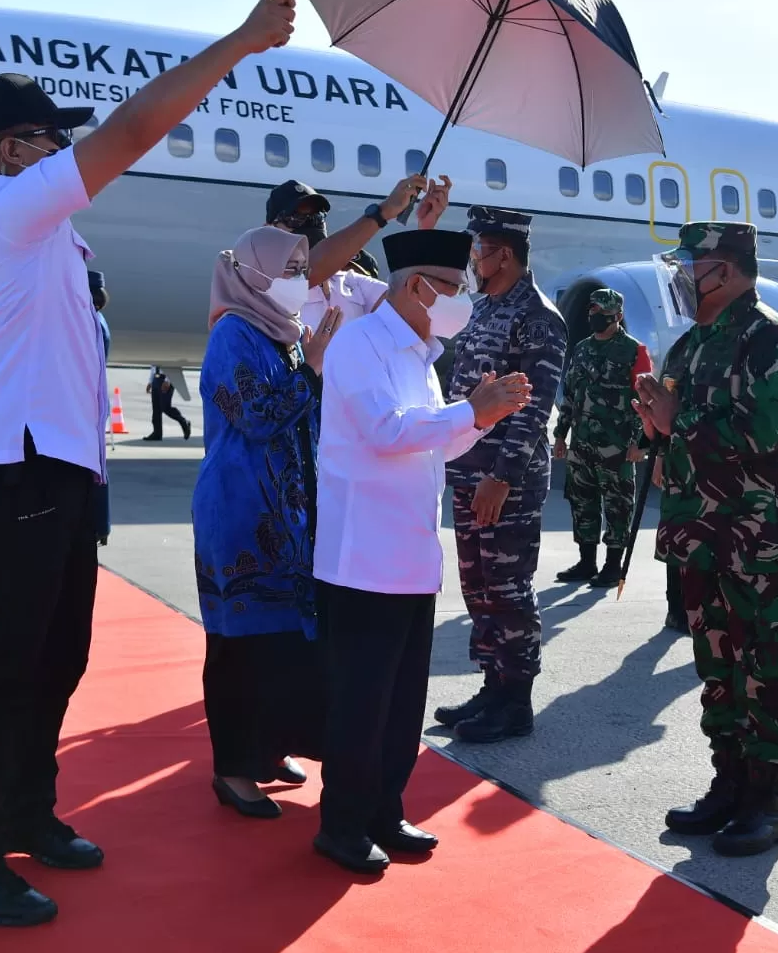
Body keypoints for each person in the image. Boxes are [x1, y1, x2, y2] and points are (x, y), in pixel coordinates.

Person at [0, 0, 296, 928]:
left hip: (55, 473)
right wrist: (242, 43)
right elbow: (132, 130)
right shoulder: (6, 207)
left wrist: (89, 473)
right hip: (5, 473)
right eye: (54, 138)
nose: (67, 154)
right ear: (15, 147)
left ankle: (23, 810)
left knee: (57, 657)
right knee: (2, 668)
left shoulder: (46, 235)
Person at [312, 228, 531, 873]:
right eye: (454, 287)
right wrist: (468, 410)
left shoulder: (419, 353)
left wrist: (481, 418)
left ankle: (384, 807)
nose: (462, 299)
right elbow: (385, 432)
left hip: (409, 556)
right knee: (361, 700)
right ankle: (343, 823)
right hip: (363, 560)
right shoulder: (360, 344)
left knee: (403, 700)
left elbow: (435, 443)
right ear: (415, 286)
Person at [635, 222, 778, 858]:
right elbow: (680, 434)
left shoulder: (769, 338)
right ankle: (729, 783)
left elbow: (763, 434)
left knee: (765, 669)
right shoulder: (692, 345)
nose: (682, 276)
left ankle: (768, 803)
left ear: (729, 269)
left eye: (692, 264)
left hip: (762, 538)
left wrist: (673, 422)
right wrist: (659, 437)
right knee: (717, 669)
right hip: (704, 535)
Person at [194, 225, 342, 819]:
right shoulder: (233, 333)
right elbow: (255, 416)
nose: (299, 279)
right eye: (288, 268)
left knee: (286, 641)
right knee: (241, 643)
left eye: (304, 267)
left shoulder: (285, 335)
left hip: (290, 514)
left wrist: (316, 368)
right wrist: (311, 371)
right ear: (253, 273)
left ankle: (271, 747)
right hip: (240, 514)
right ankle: (234, 767)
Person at [431, 206, 567, 744]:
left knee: (508, 588)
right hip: (469, 472)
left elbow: (535, 409)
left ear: (502, 253)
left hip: (506, 482)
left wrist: (502, 477)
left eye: (478, 249)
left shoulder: (538, 316)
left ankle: (516, 700)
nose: (473, 259)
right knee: (478, 586)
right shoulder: (483, 307)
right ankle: (492, 685)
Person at [552, 288, 652, 588]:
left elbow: (645, 401)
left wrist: (641, 443)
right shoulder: (582, 349)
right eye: (592, 312)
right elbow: (570, 396)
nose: (595, 317)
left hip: (618, 445)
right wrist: (560, 436)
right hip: (582, 443)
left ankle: (612, 565)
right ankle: (586, 561)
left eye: (602, 313)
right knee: (582, 502)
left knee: (617, 505)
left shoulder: (635, 351)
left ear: (618, 316)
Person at [264, 174, 451, 333]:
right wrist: (382, 213)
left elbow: (409, 304)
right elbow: (307, 271)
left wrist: (425, 230)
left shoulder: (352, 285)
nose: (309, 224)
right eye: (295, 217)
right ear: (267, 230)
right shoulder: (260, 281)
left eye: (317, 217)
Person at [89, 270, 112, 546]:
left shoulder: (90, 322)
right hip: (92, 402)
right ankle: (99, 525)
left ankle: (98, 526)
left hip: (87, 403)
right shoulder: (97, 319)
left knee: (92, 468)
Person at [145, 366, 192, 441]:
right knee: (156, 408)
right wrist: (150, 381)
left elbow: (172, 364)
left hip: (166, 378)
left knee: (165, 407)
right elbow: (153, 366)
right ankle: (157, 433)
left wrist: (168, 380)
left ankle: (183, 422)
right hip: (156, 378)